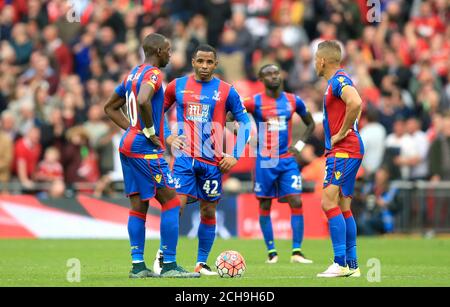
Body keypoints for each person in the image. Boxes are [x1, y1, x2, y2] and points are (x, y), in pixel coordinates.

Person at [104, 33, 199, 279]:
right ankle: (169, 265)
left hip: (127, 146)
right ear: (158, 51)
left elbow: (109, 107)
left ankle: (138, 266)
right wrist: (147, 131)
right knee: (170, 202)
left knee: (138, 206)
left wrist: (132, 130)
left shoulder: (132, 73)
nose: (170, 54)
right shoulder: (154, 74)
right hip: (145, 150)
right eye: (168, 50)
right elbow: (144, 99)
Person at [156, 44, 251, 276]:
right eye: (201, 61)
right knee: (173, 205)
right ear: (193, 62)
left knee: (208, 211)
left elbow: (246, 123)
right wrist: (168, 137)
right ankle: (165, 259)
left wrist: (233, 155)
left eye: (209, 62)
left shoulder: (227, 91)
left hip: (213, 162)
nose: (205, 66)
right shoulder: (176, 86)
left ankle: (201, 263)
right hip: (184, 159)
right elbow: (157, 111)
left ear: (216, 64)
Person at [242, 64, 315, 264]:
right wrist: (248, 140)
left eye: (276, 73)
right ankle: (272, 252)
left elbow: (311, 123)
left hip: (287, 159)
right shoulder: (254, 102)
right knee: (265, 204)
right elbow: (231, 117)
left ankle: (297, 251)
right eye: (268, 74)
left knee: (297, 201)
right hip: (265, 160)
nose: (274, 77)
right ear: (261, 79)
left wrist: (299, 145)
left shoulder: (293, 100)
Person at [314, 40, 364, 278]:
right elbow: (355, 106)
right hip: (350, 149)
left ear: (322, 60)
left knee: (327, 202)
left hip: (344, 150)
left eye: (316, 58)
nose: (315, 62)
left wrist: (343, 131)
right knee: (344, 206)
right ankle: (352, 265)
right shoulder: (339, 80)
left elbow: (356, 102)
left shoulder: (338, 81)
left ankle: (340, 262)